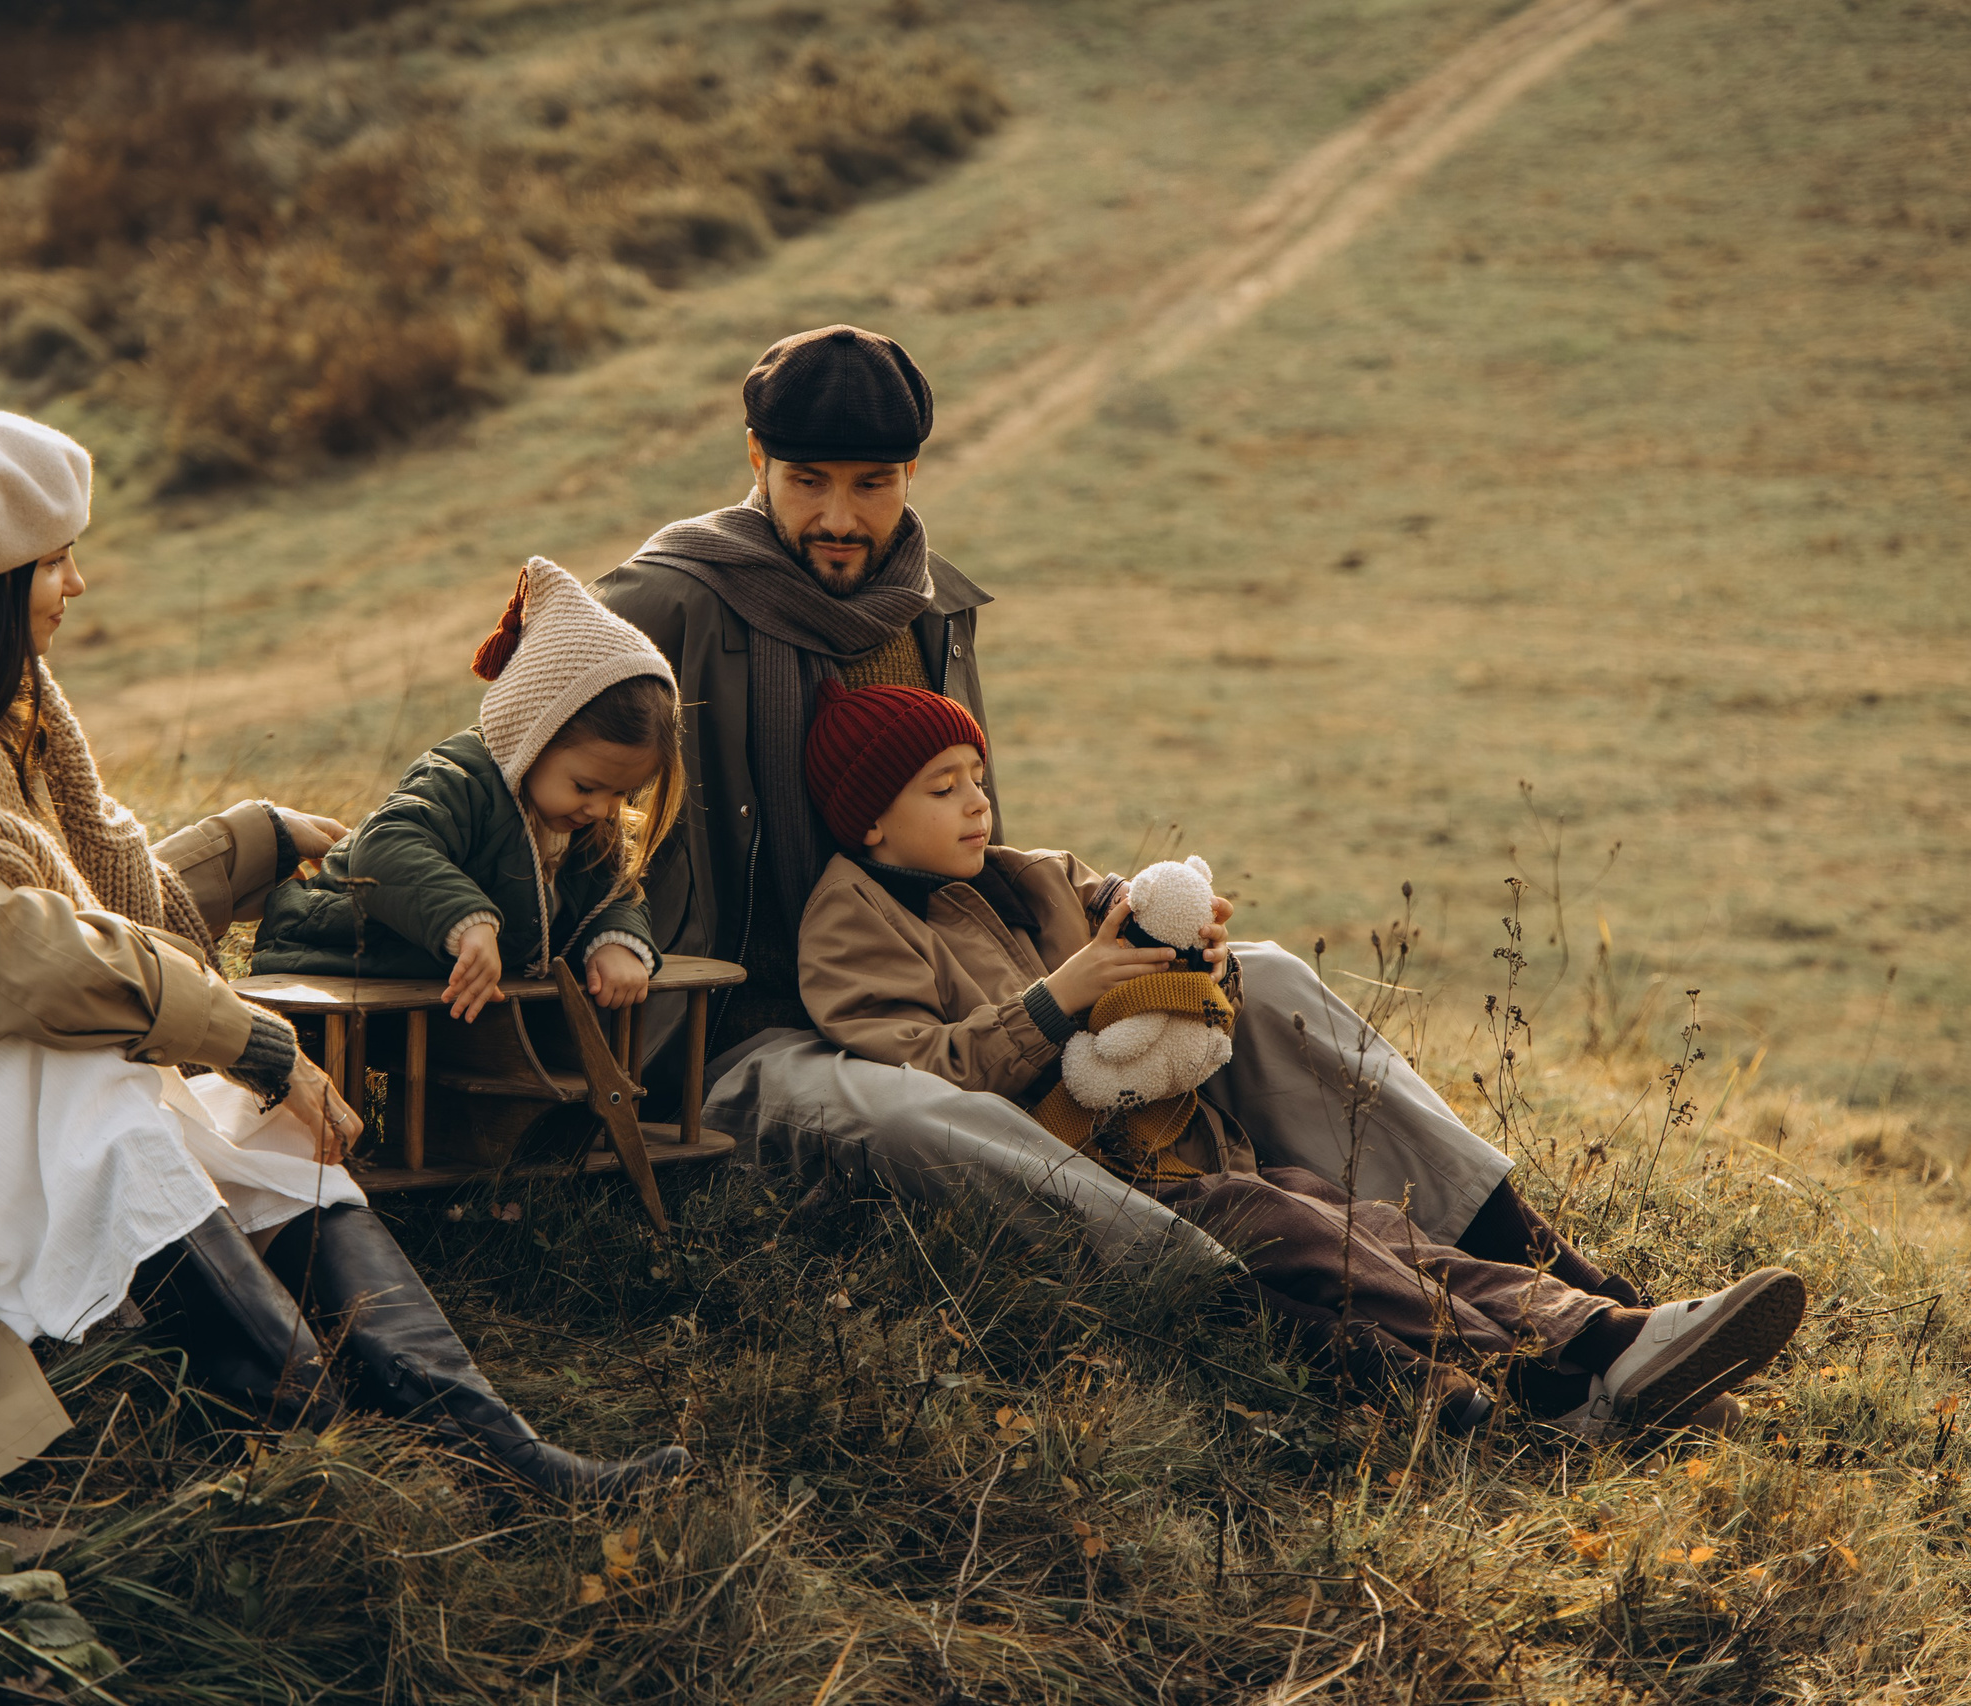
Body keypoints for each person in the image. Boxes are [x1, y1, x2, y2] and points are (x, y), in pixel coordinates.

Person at [0, 401, 688, 1499]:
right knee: (80, 1078)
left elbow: (85, 881)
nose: (78, 584)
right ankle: (304, 1431)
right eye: (58, 561)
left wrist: (248, 844)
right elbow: (19, 958)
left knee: (244, 1119)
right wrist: (252, 1039)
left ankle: (489, 1446)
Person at [596, 322, 1649, 1319]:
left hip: (945, 989)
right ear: (754, 460)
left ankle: (1537, 1261)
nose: (839, 515)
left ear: (909, 475)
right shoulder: (678, 594)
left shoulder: (927, 608)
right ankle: (1225, 1292)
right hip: (752, 1036)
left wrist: (1114, 909)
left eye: (870, 484)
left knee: (1266, 975)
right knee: (914, 1108)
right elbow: (518, 734)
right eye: (806, 481)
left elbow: (972, 842)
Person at [788, 681, 1806, 1432]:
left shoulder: (1032, 874)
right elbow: (921, 1074)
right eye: (941, 787)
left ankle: (1606, 1335)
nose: (977, 803)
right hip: (1107, 1184)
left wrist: (1186, 949)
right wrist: (1059, 999)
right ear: (871, 815)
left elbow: (1134, 929)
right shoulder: (852, 923)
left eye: (976, 777)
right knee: (1310, 1237)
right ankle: (1564, 1374)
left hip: (1194, 1146)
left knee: (1367, 1228)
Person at [253, 558, 682, 1028]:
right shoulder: (462, 777)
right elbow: (382, 849)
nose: (602, 809)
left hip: (441, 1000)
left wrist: (615, 938)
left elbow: (615, 891)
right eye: (586, 787)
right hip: (331, 962)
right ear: (531, 737)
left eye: (622, 793)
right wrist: (468, 919)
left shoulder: (584, 821)